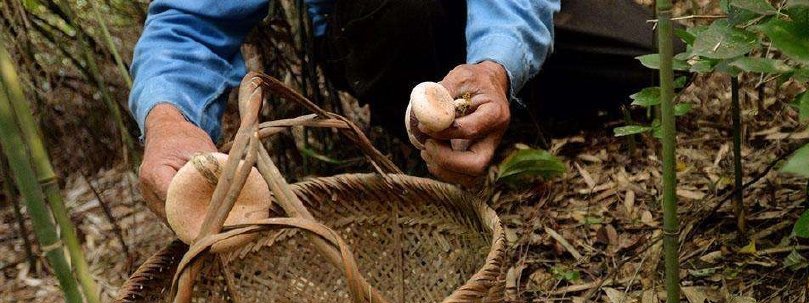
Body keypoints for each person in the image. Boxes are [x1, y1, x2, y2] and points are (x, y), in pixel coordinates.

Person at [130, 0, 663, 219]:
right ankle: (421, 117)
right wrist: (169, 119)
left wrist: (497, 63)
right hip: (381, 20)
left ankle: (488, 100)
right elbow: (191, 23)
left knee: (661, 50)